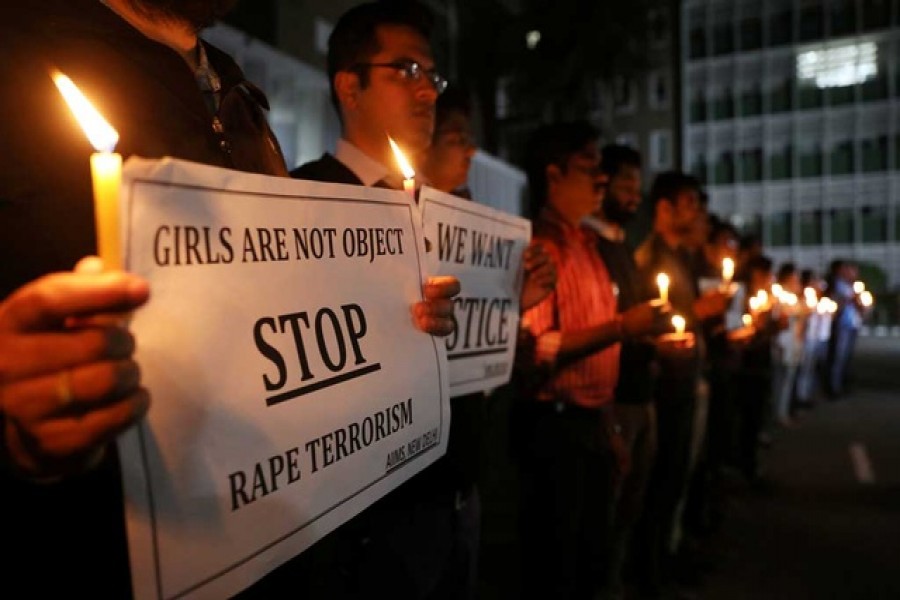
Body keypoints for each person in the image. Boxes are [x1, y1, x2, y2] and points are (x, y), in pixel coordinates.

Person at [0, 1, 455, 597]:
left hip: (270, 544)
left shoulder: (237, 92)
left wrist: (398, 319)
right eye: (406, 73)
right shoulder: (20, 52)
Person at [515, 122, 659, 599]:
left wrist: (607, 422)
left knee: (594, 559)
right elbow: (540, 348)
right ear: (553, 176)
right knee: (559, 565)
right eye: (589, 168)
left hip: (593, 422)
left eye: (602, 170)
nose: (601, 179)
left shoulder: (589, 247)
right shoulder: (539, 249)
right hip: (556, 430)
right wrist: (621, 328)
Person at [632, 171, 730, 595]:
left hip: (685, 380)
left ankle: (664, 561)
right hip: (665, 387)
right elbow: (655, 322)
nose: (697, 212)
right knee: (658, 482)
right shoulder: (651, 259)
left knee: (675, 478)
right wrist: (698, 314)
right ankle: (649, 571)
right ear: (665, 208)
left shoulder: (679, 258)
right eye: (689, 203)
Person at [581, 144, 660, 599]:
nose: (634, 192)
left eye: (637, 182)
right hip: (611, 401)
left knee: (629, 510)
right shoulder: (589, 246)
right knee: (603, 518)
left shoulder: (620, 245)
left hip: (638, 391)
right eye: (624, 181)